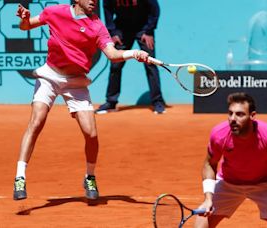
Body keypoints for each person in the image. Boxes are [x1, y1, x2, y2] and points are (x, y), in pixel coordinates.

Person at [13, 0, 151, 201]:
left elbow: (112, 54)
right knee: (37, 121)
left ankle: (89, 176)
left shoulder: (97, 26)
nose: (94, 1)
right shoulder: (54, 12)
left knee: (91, 134)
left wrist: (133, 53)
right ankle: (20, 176)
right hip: (49, 76)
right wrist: (24, 19)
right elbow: (26, 25)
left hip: (76, 82)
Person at [195, 92, 267, 228]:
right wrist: (208, 199)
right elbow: (210, 163)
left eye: (240, 114)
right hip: (229, 183)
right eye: (230, 113)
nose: (233, 119)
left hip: (266, 183)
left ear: (252, 116)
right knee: (200, 224)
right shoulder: (219, 134)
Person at [95, 0, 166, 114]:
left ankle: (158, 102)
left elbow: (154, 10)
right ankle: (111, 103)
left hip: (143, 29)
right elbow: (107, 9)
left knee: (150, 64)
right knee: (115, 65)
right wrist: (113, 32)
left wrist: (149, 31)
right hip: (121, 30)